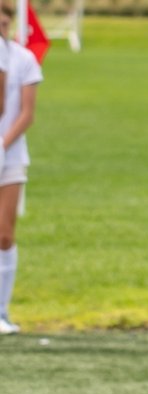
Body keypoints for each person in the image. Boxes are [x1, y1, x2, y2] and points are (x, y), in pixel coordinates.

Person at [0, 6, 34, 337]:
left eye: (5, 23)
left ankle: (1, 310)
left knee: (5, 235)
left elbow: (26, 113)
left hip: (11, 157)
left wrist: (2, 144)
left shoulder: (23, 59)